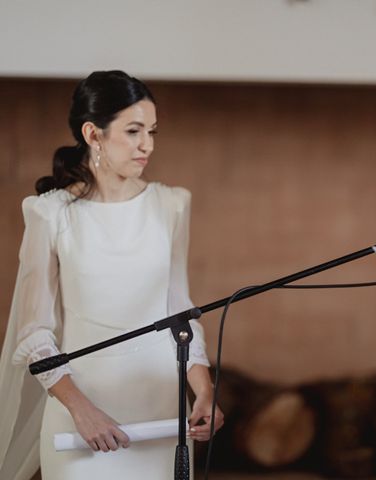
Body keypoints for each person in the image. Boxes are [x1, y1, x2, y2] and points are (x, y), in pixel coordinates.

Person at [0, 70, 223, 479]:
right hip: (80, 421)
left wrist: (204, 392)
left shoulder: (172, 205)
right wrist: (81, 411)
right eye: (134, 131)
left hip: (161, 416)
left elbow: (181, 312)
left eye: (153, 131)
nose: (147, 145)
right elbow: (34, 333)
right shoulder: (48, 213)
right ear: (93, 133)